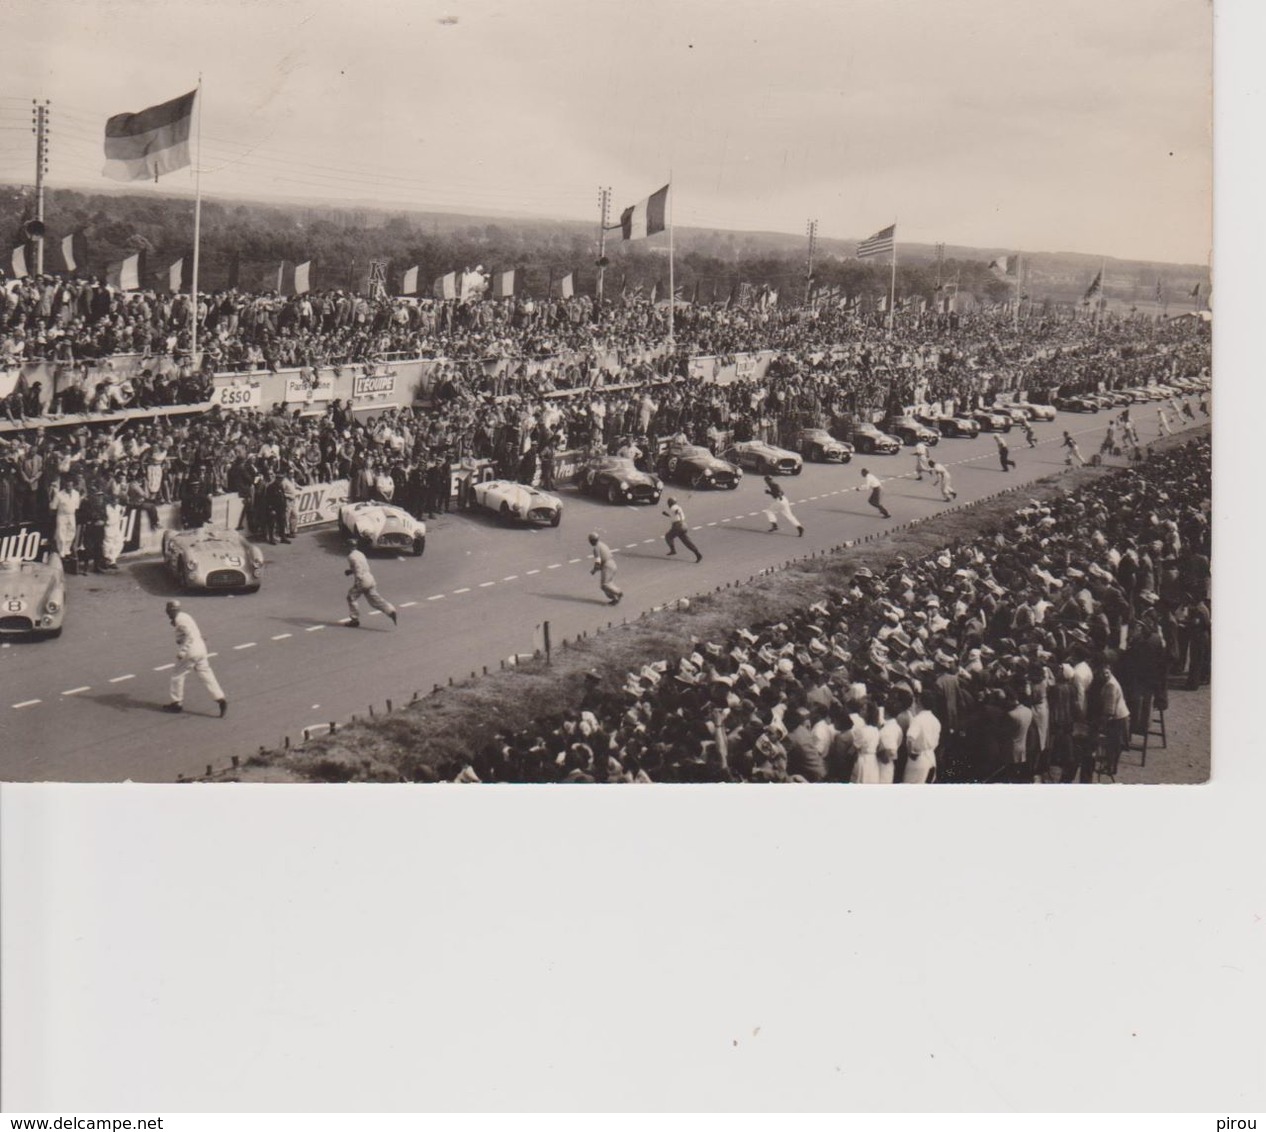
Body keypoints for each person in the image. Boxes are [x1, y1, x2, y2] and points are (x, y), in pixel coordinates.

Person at [163, 600, 228, 717]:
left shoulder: (179, 620)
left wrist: (182, 652)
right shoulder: (185, 616)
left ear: (172, 610)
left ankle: (176, 703)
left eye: (168, 611)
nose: (167, 614)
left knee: (177, 676)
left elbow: (189, 637)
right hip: (201, 649)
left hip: (190, 651)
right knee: (207, 675)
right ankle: (220, 699)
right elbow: (193, 632)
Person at [345, 541, 399, 627]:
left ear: (348, 546)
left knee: (351, 597)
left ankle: (354, 620)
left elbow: (358, 569)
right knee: (375, 599)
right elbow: (363, 566)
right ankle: (390, 610)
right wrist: (351, 571)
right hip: (370, 578)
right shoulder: (360, 554)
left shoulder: (351, 556)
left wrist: (357, 582)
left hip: (362, 580)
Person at [662, 496, 702, 562]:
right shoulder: (677, 507)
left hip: (678, 526)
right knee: (687, 541)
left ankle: (673, 550)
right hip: (684, 525)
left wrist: (676, 511)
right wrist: (666, 514)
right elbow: (673, 516)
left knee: (668, 536)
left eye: (669, 503)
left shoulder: (674, 507)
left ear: (670, 503)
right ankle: (697, 554)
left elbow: (676, 511)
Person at [588, 532, 623, 605]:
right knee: (607, 584)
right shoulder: (602, 544)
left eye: (590, 540)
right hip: (612, 564)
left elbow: (598, 561)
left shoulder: (596, 548)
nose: (590, 542)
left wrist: (594, 570)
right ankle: (615, 598)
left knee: (605, 585)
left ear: (593, 540)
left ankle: (618, 592)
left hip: (607, 565)